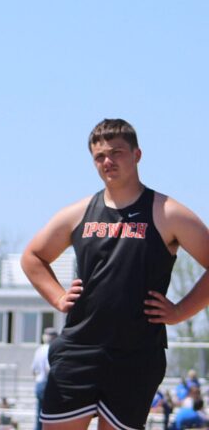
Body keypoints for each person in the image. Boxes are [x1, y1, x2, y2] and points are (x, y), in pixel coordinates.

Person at [20, 118, 209, 430]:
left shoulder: (167, 212)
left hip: (136, 354)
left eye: (117, 152)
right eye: (99, 156)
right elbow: (32, 256)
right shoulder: (79, 212)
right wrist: (57, 295)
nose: (107, 161)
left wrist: (180, 311)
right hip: (79, 348)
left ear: (137, 155)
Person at [31, 327, 58, 430]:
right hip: (47, 384)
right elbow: (49, 369)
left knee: (39, 415)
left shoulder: (39, 349)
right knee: (50, 416)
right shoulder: (51, 349)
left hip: (39, 383)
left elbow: (33, 370)